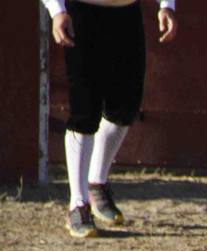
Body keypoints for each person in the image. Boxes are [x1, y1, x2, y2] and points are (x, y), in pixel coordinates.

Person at [43, 0, 180, 238]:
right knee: (85, 109)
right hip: (82, 12)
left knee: (125, 107)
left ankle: (96, 181)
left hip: (126, 13)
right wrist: (57, 11)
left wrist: (167, 6)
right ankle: (78, 204)